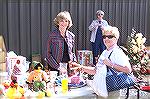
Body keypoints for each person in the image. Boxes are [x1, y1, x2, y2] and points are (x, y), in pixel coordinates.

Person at [72, 26, 132, 99]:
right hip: (101, 89)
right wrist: (81, 68)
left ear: (116, 39)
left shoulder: (117, 52)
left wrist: (111, 64)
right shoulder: (104, 52)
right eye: (104, 36)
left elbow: (128, 69)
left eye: (110, 36)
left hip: (112, 90)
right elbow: (95, 71)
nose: (106, 39)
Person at [45, 11, 77, 76]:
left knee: (66, 85)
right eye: (62, 21)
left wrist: (74, 63)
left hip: (68, 67)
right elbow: (47, 54)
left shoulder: (71, 36)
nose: (64, 23)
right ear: (58, 22)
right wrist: (58, 67)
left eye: (66, 21)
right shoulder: (52, 35)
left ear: (68, 23)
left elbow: (73, 53)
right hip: (55, 68)